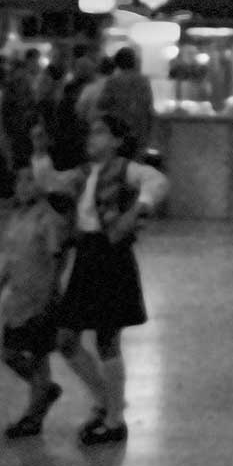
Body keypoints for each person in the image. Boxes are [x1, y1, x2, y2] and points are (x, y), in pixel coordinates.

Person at [52, 113, 169, 447]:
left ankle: (114, 417)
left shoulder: (125, 169)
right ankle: (107, 400)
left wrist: (137, 211)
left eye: (101, 133)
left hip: (109, 254)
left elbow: (157, 182)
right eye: (91, 134)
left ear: (117, 141)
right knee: (67, 338)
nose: (92, 139)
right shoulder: (85, 174)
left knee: (106, 338)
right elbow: (51, 181)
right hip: (88, 254)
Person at [0, 165, 71, 438]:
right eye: (19, 180)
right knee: (9, 354)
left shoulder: (48, 220)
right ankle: (43, 390)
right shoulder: (17, 217)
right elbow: (11, 260)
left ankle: (33, 416)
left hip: (39, 297)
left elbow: (58, 257)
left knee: (38, 355)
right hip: (18, 298)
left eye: (30, 180)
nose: (23, 186)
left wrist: (52, 293)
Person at [95, 47, 158, 160]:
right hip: (139, 130)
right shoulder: (143, 81)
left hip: (120, 131)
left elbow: (101, 104)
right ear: (133, 62)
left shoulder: (113, 81)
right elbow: (148, 105)